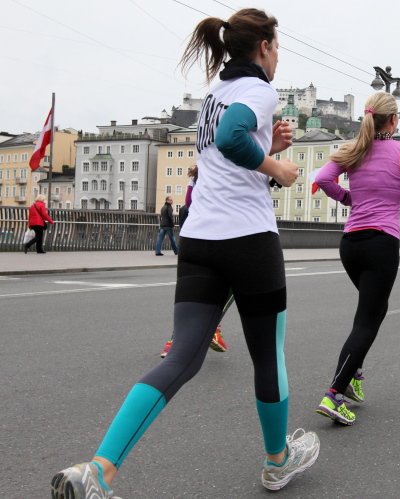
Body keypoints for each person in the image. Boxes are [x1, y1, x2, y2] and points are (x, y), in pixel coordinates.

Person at [51, 9, 319, 498]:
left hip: (199, 240)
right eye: (277, 46)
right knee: (267, 355)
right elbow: (232, 138)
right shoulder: (260, 90)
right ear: (263, 47)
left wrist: (268, 147)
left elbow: (220, 156)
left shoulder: (216, 94)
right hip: (249, 239)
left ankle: (99, 471)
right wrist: (277, 168)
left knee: (182, 357)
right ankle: (277, 462)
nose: (278, 56)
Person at [313, 92, 400, 425]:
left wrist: (347, 197)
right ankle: (334, 394)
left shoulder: (353, 149)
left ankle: (353, 373)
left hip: (350, 244)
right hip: (381, 244)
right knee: (367, 319)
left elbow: (321, 179)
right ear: (393, 120)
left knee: (374, 311)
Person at [162, 165, 228, 357]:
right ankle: (213, 327)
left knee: (190, 296)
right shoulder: (230, 171)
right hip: (223, 237)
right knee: (227, 289)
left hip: (192, 239)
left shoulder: (197, 177)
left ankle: (173, 342)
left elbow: (188, 203)